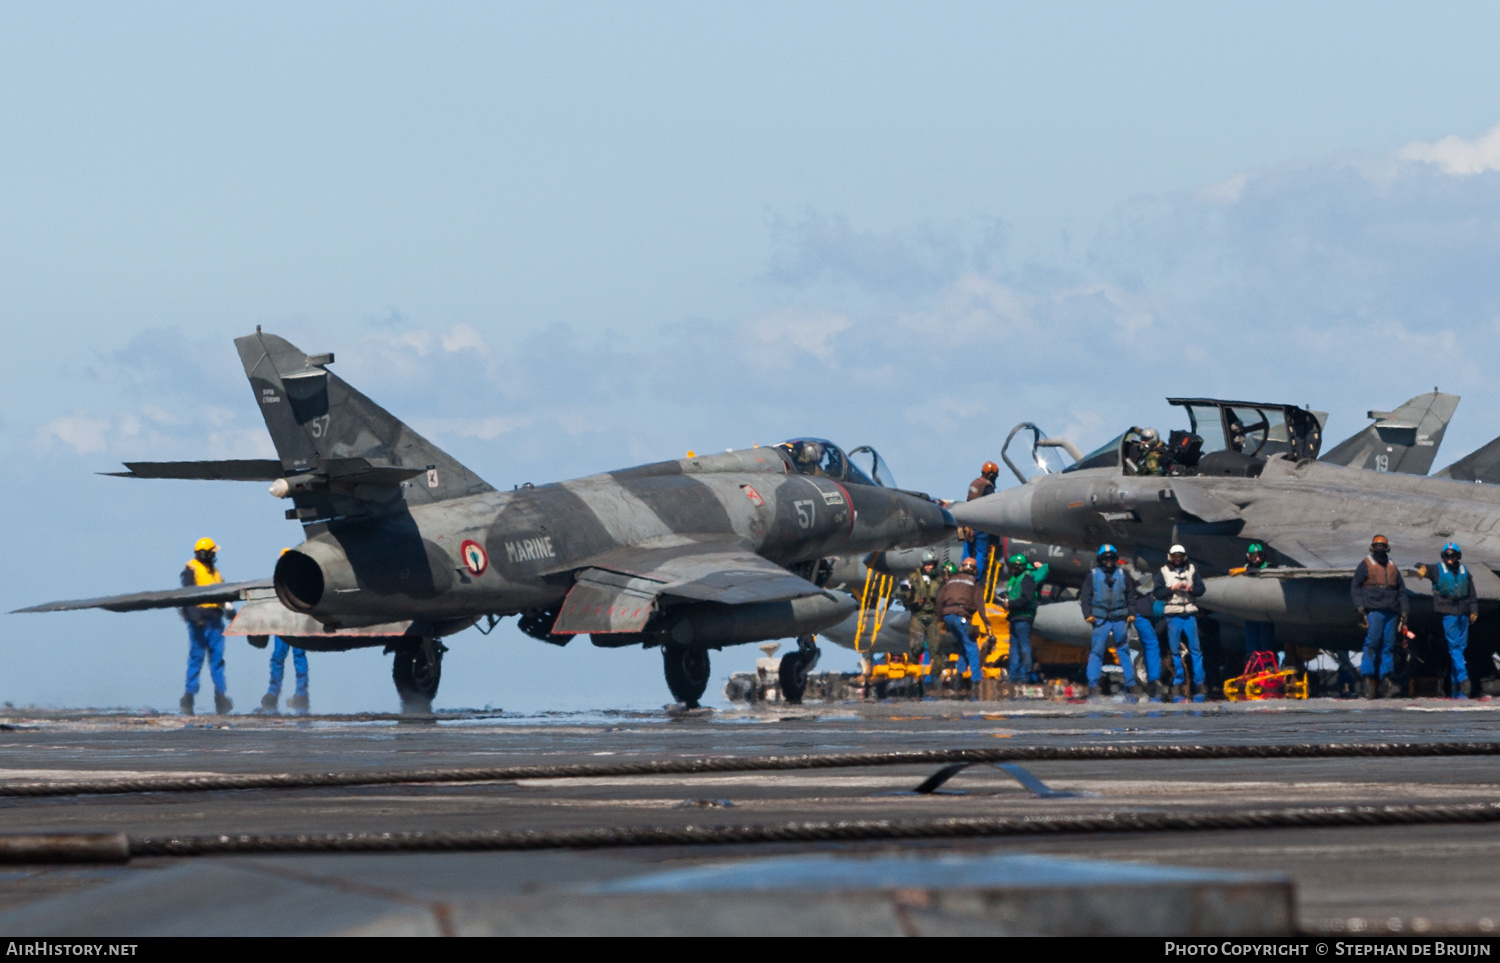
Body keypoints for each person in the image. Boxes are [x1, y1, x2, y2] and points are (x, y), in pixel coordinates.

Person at [1416, 542, 1478, 699]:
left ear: (1457, 556)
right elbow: (1425, 568)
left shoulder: (1464, 571)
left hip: (1463, 612)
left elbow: (1471, 592)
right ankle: (1464, 680)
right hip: (1448, 613)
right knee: (1455, 647)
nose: (1450, 559)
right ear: (1444, 557)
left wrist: (1474, 610)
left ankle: (1455, 684)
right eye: (1447, 556)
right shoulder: (1438, 569)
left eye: (1452, 556)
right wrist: (1421, 568)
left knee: (1461, 647)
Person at [180, 537, 232, 716]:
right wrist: (195, 617)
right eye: (212, 553)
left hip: (215, 620)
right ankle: (189, 698)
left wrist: (229, 610)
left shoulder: (214, 572)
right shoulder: (191, 570)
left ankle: (221, 697)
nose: (214, 555)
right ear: (205, 553)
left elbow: (223, 592)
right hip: (199, 622)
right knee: (196, 658)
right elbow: (186, 596)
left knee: (217, 660)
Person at [1352, 534, 1409, 699]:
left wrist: (1404, 611)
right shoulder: (1366, 565)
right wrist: (1360, 607)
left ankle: (1386, 680)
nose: (1379, 549)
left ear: (1387, 548)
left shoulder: (1392, 566)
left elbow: (1401, 591)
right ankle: (1368, 680)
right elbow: (1355, 586)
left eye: (1382, 546)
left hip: (1391, 612)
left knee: (1388, 646)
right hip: (1374, 611)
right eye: (1377, 546)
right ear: (1372, 547)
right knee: (1372, 644)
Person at [1079, 544, 1137, 697]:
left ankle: (1131, 682)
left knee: (1123, 650)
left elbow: (1131, 595)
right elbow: (1085, 596)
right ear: (1100, 559)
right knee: (1097, 652)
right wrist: (1087, 614)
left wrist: (1132, 612)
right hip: (1100, 619)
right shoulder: (1093, 575)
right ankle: (1093, 684)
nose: (1109, 561)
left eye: (1111, 558)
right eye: (1106, 558)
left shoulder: (1122, 574)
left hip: (1119, 618)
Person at [1155, 544, 1208, 702]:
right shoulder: (1163, 572)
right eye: (1175, 557)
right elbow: (1157, 593)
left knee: (1196, 650)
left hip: (1189, 614)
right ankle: (1178, 682)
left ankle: (1200, 682)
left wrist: (1191, 589)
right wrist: (1172, 588)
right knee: (1175, 651)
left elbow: (1201, 589)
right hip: (1173, 615)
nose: (1178, 560)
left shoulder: (1191, 569)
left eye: (1180, 557)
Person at [936, 556, 984, 696]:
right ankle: (976, 681)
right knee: (972, 647)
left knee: (964, 646)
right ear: (974, 569)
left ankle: (959, 677)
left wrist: (941, 619)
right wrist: (986, 623)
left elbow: (940, 599)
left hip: (948, 616)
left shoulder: (952, 580)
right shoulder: (973, 582)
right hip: (961, 616)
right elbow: (980, 605)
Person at [998, 553, 1047, 684]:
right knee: (1014, 648)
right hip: (1015, 617)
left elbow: (1027, 598)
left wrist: (1011, 604)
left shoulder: (1026, 578)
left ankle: (1025, 675)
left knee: (1023, 647)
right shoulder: (1016, 579)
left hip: (1023, 616)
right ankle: (1014, 677)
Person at [1235, 543, 1276, 669]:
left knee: (1266, 644)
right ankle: (1253, 669)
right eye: (1253, 556)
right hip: (1250, 612)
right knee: (1251, 646)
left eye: (1259, 556)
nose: (1257, 559)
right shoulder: (1244, 570)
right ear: (1248, 557)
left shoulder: (1270, 569)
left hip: (1264, 612)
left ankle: (1268, 669)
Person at [1128, 562, 1165, 700]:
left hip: (1143, 610)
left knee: (1152, 644)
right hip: (1141, 613)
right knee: (1152, 644)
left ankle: (1153, 681)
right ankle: (1152, 681)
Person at [901, 553, 944, 662]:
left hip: (933, 616)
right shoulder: (913, 578)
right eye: (928, 564)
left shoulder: (938, 580)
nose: (930, 567)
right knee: (916, 647)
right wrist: (907, 593)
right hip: (918, 615)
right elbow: (901, 593)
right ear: (923, 565)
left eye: (932, 564)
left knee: (935, 648)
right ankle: (912, 663)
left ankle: (935, 672)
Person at [964, 462, 1001, 582]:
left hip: (968, 521)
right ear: (991, 475)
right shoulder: (987, 486)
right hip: (981, 522)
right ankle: (977, 578)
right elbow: (992, 506)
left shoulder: (975, 483)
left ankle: (964, 571)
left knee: (968, 549)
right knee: (981, 552)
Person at [261, 636, 310, 714]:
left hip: (283, 627)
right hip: (295, 627)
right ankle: (301, 695)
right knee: (298, 656)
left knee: (279, 657)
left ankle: (273, 693)